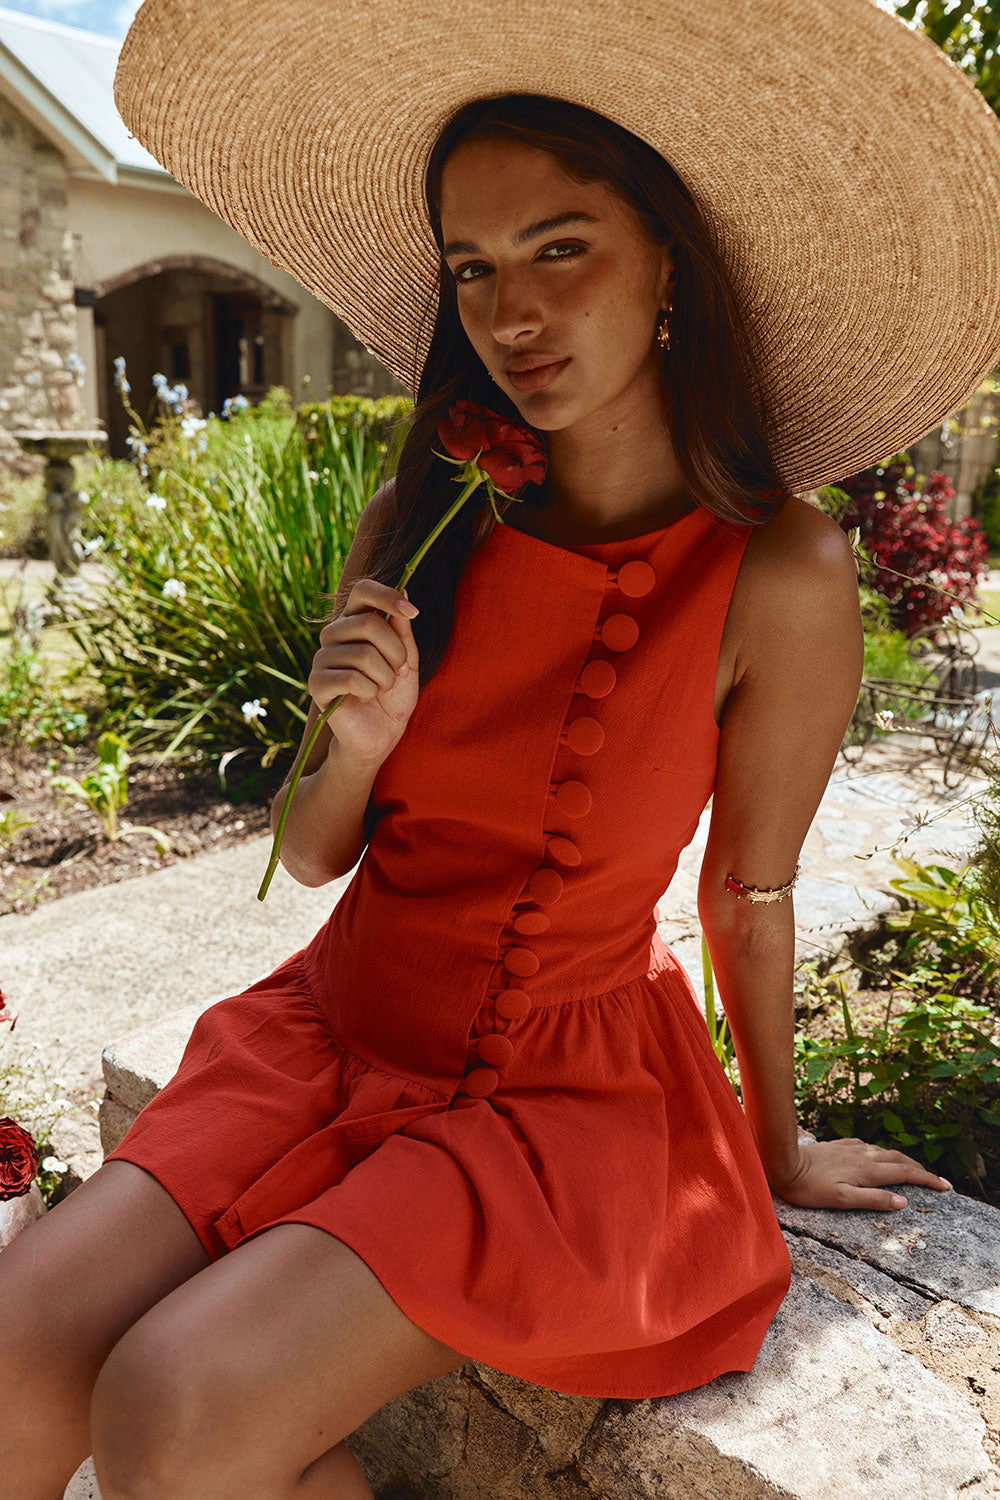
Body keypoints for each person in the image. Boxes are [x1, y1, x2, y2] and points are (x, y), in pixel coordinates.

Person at [6, 0, 998, 1492]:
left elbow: (754, 889)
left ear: (671, 255)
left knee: (174, 1397)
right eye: (472, 269)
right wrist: (354, 739)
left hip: (556, 1097)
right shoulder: (424, 517)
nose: (511, 315)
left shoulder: (776, 570)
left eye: (559, 248)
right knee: (18, 1338)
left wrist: (778, 1149)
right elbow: (321, 848)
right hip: (333, 1030)